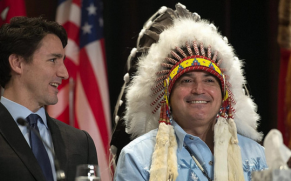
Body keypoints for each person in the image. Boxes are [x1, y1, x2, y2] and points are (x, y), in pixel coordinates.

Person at [112, 3, 267, 181]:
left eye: (209, 80)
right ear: (167, 95)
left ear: (224, 95)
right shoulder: (138, 157)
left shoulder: (255, 156)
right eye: (186, 80)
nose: (199, 89)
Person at [0, 16, 98, 181]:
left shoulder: (81, 142)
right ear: (17, 63)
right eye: (53, 60)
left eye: (63, 61)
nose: (64, 73)